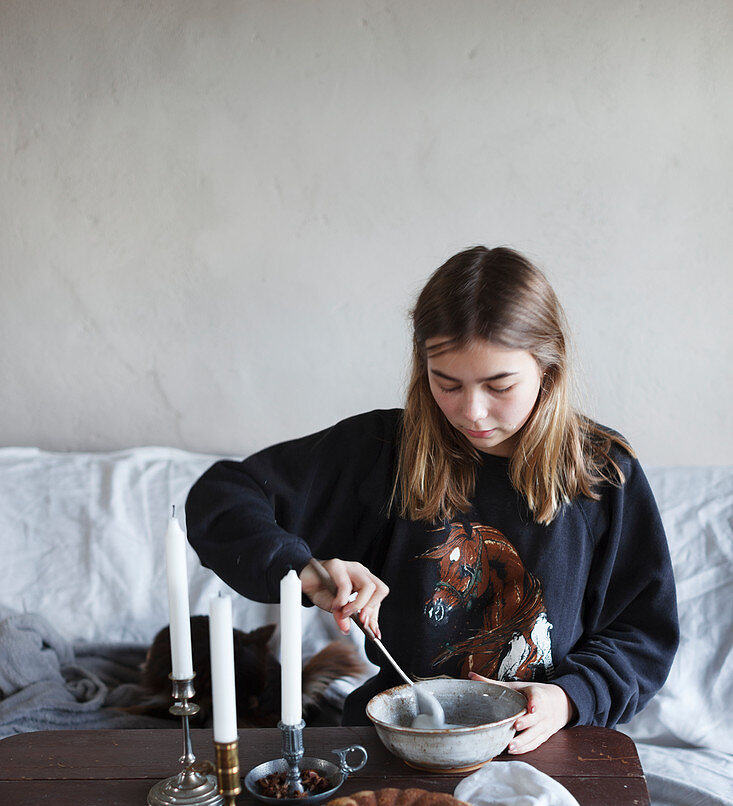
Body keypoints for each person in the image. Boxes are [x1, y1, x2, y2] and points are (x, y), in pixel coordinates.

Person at [186, 245, 679, 753]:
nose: (472, 411)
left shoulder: (601, 472)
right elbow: (220, 499)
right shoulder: (380, 454)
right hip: (393, 745)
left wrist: (568, 698)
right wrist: (305, 571)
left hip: (549, 747)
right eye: (447, 384)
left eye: (499, 385)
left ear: (547, 368)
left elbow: (642, 636)